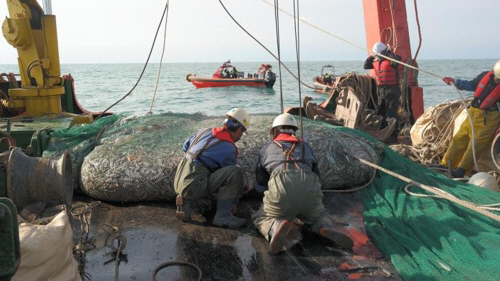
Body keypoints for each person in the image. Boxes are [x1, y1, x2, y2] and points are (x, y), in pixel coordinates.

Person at [252, 113, 354, 254]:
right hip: (309, 187)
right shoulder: (306, 146)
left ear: (274, 131)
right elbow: (317, 175)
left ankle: (274, 226)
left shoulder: (267, 148)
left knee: (260, 216)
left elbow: (261, 183)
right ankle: (323, 225)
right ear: (294, 131)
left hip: (282, 190)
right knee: (319, 214)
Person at [174, 108, 251, 228]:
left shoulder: (204, 131)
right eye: (242, 132)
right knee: (235, 172)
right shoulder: (229, 148)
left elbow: (186, 147)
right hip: (193, 185)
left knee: (203, 170)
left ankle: (187, 203)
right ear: (239, 129)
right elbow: (229, 177)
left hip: (179, 179)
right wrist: (233, 202)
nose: (240, 137)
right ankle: (223, 216)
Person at [439, 60, 500, 178]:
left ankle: (462, 170)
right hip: (473, 112)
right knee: (459, 138)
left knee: (475, 145)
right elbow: (471, 85)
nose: (498, 81)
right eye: (497, 79)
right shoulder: (485, 75)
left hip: (490, 118)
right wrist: (455, 81)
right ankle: (446, 164)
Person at [364, 42, 402, 141]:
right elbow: (366, 66)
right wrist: (372, 56)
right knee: (380, 111)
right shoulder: (376, 61)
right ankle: (382, 130)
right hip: (381, 90)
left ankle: (393, 136)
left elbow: (399, 59)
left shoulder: (391, 61)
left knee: (391, 113)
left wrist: (389, 53)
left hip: (392, 89)